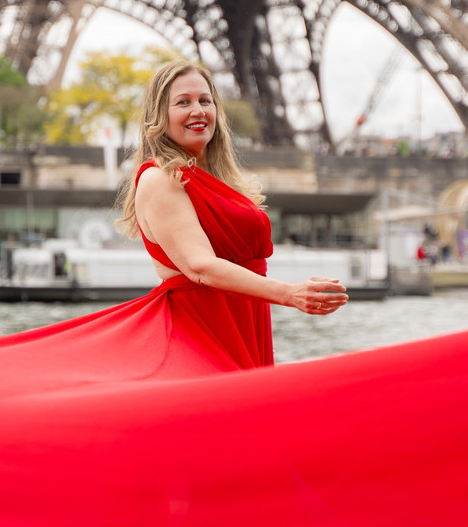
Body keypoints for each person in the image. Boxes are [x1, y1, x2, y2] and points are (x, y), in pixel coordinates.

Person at [116, 60, 348, 368]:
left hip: (244, 325)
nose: (197, 110)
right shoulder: (160, 178)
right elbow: (200, 267)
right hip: (201, 337)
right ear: (159, 115)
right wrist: (291, 293)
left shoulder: (218, 180)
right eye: (183, 102)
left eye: (205, 100)